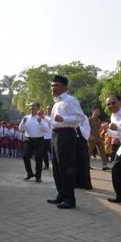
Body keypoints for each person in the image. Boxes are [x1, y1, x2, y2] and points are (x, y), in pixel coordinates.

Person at [46, 75, 87, 209]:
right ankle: (61, 196)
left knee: (65, 168)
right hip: (55, 135)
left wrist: (63, 118)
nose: (53, 88)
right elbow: (55, 121)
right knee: (57, 169)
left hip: (66, 135)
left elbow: (80, 117)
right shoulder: (56, 102)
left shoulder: (70, 100)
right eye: (52, 85)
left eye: (56, 85)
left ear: (64, 87)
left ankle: (70, 200)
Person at [19, 102, 49, 182]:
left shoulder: (42, 118)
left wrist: (41, 121)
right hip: (29, 140)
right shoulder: (26, 117)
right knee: (25, 157)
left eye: (34, 107)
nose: (32, 108)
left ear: (38, 109)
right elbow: (21, 129)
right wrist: (23, 122)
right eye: (31, 107)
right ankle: (29, 173)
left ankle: (38, 177)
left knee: (39, 159)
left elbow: (46, 129)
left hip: (39, 141)